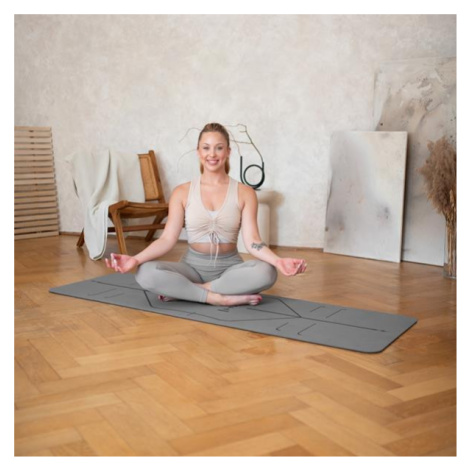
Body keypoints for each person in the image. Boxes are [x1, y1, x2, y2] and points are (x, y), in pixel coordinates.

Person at [105, 123, 307, 306]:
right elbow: (167, 239)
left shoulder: (245, 193)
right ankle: (219, 298)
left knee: (267, 271)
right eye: (206, 147)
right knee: (145, 272)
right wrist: (135, 259)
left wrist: (278, 261)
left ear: (228, 152)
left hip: (230, 270)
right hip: (191, 269)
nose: (212, 154)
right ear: (198, 152)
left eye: (219, 147)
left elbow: (253, 241)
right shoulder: (182, 192)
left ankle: (192, 291)